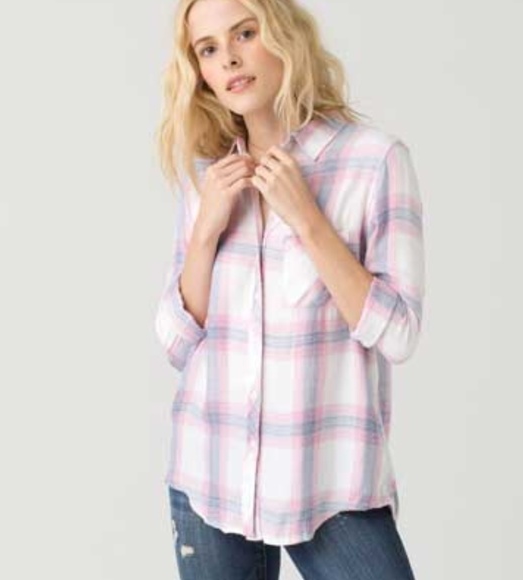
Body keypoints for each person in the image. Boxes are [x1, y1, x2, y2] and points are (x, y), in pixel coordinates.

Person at [154, 0, 425, 578]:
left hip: (328, 483)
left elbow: (399, 333)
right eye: (208, 49)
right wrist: (206, 233)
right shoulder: (207, 178)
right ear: (200, 72)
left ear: (283, 34)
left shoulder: (372, 162)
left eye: (245, 33)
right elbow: (177, 343)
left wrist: (308, 220)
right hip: (209, 475)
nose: (229, 58)